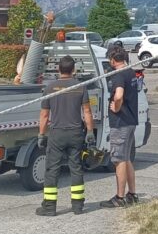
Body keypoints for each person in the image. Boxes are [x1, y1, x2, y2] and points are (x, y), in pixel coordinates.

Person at [36, 55, 94, 216]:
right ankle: (77, 206)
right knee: (76, 168)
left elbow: (44, 115)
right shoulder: (80, 87)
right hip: (76, 133)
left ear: (58, 69)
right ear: (73, 70)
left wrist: (41, 134)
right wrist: (90, 132)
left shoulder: (50, 88)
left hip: (57, 133)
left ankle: (49, 207)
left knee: (52, 169)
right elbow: (87, 111)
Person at [99, 43, 139, 208]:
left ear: (113, 59)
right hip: (131, 121)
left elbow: (119, 95)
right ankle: (132, 194)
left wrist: (115, 106)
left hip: (121, 122)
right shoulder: (131, 72)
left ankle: (119, 197)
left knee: (118, 160)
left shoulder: (118, 75)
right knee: (126, 158)